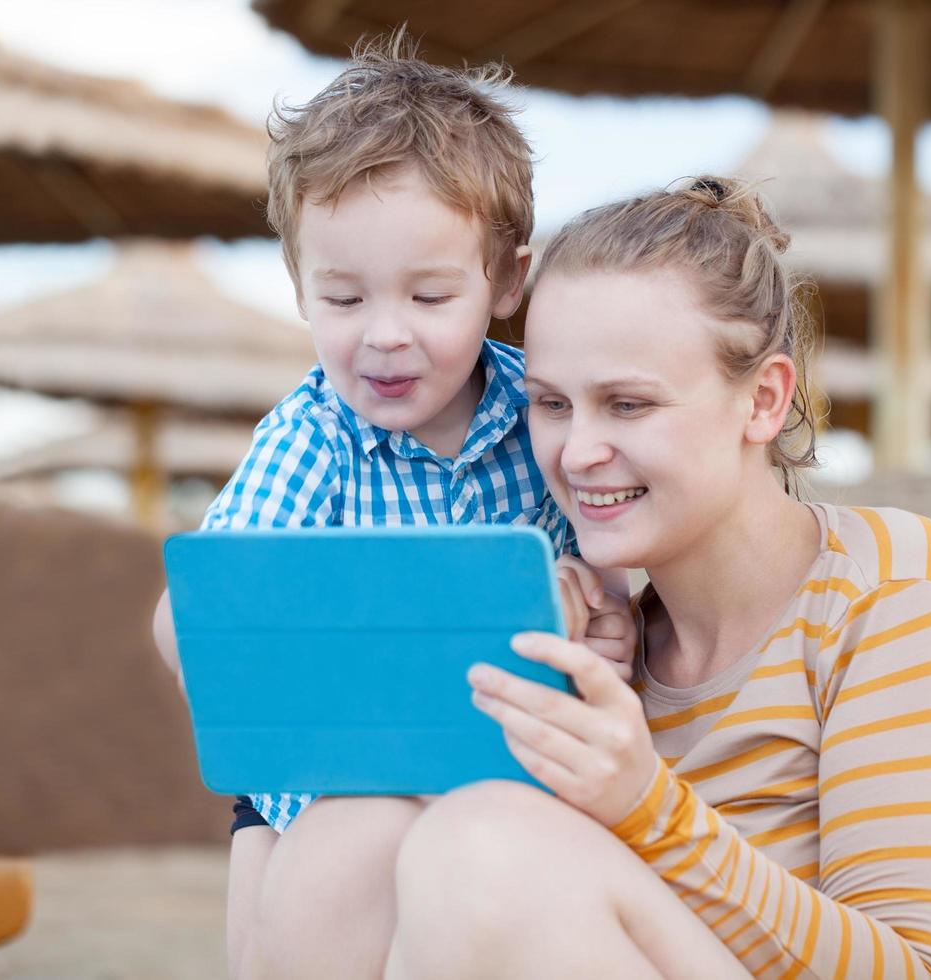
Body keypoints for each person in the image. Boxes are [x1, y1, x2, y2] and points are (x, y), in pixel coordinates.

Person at [376, 177, 931, 978]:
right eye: (551, 404)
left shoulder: (893, 589)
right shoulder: (605, 649)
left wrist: (648, 807)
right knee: (359, 840)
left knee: (483, 844)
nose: (577, 452)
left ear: (762, 400)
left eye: (627, 404)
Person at [149, 38, 637, 978]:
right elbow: (207, 610)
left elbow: (605, 576)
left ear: (505, 282)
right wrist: (221, 649)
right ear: (300, 286)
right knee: (289, 910)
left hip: (504, 769)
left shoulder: (541, 411)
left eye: (428, 294)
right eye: (341, 297)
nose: (384, 334)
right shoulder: (312, 436)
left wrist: (602, 618)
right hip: (328, 785)